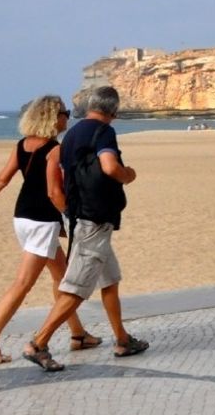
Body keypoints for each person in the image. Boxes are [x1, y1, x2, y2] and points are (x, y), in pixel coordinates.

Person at [0, 94, 97, 364]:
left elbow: (2, 179)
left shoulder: (23, 145)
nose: (67, 117)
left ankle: (78, 334)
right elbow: (53, 192)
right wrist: (72, 217)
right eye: (64, 112)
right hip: (40, 222)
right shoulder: (53, 149)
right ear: (51, 117)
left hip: (22, 218)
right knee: (23, 284)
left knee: (61, 276)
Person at [23, 86, 148, 372]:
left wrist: (69, 214)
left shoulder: (71, 136)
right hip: (95, 219)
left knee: (110, 279)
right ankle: (38, 344)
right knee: (78, 288)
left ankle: (122, 339)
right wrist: (128, 175)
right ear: (113, 110)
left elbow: (61, 181)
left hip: (79, 216)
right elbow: (109, 167)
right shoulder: (104, 132)